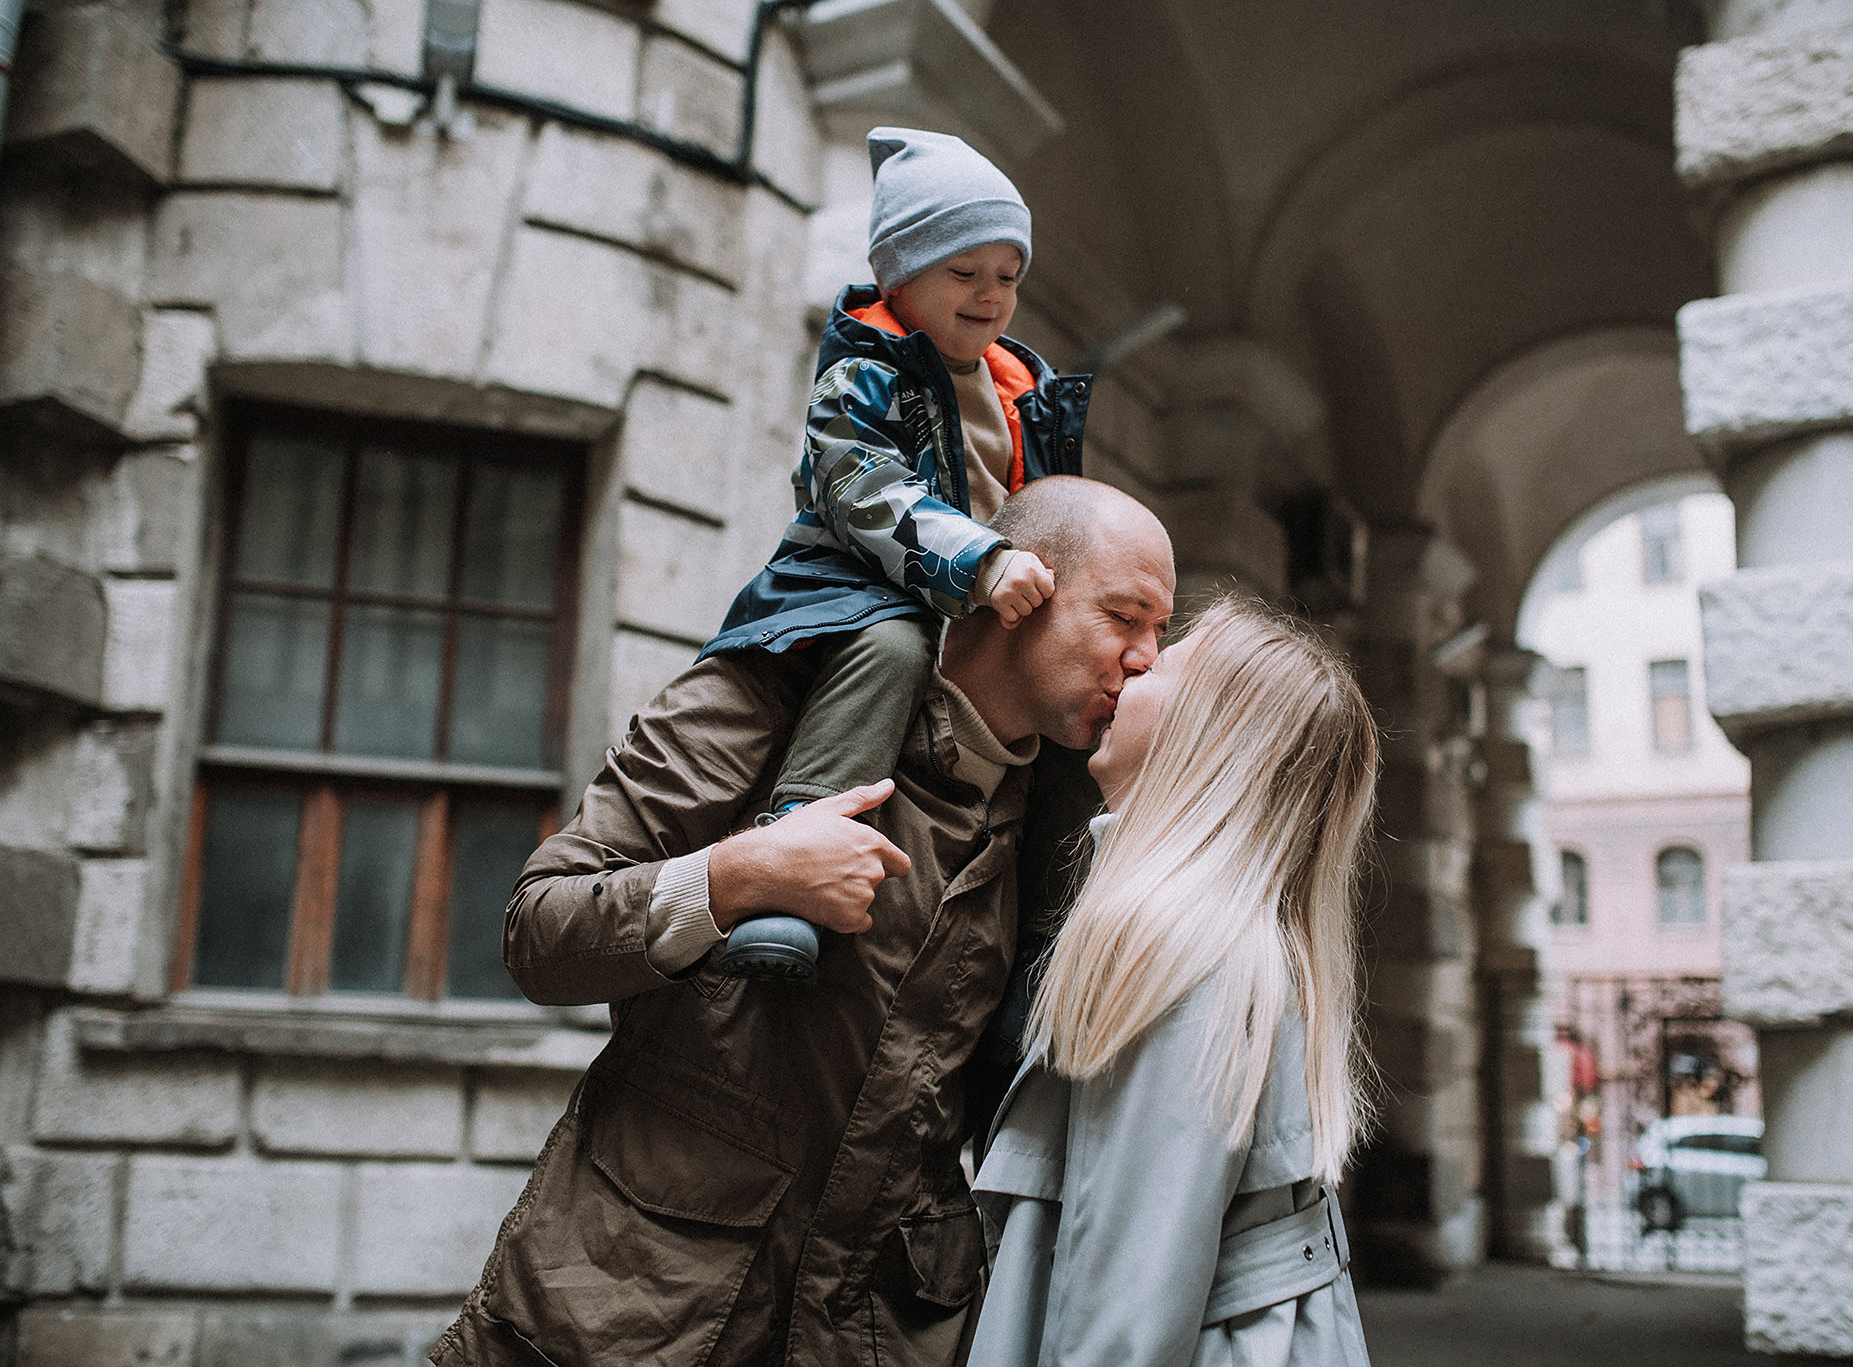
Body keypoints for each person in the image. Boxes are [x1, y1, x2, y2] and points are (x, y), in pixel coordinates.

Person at [431, 477, 1175, 1367]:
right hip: (619, 1315)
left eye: (1160, 633)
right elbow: (538, 930)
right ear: (1021, 588)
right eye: (1125, 617)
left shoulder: (1061, 827)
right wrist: (738, 875)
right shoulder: (790, 679)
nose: (1145, 658)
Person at [698, 125, 1089, 981]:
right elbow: (863, 486)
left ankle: (1061, 936)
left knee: (1083, 707)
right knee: (889, 646)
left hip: (994, 600)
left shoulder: (1023, 386)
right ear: (897, 274)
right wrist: (978, 562)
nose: (991, 295)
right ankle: (791, 860)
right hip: (862, 585)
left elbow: (1062, 507)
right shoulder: (863, 373)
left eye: (1008, 276)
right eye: (964, 273)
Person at [969, 596, 1379, 1367]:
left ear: (1208, 734)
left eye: (1169, 659)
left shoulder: (1181, 949)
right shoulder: (1218, 938)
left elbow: (1120, 1319)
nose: (1136, 665)